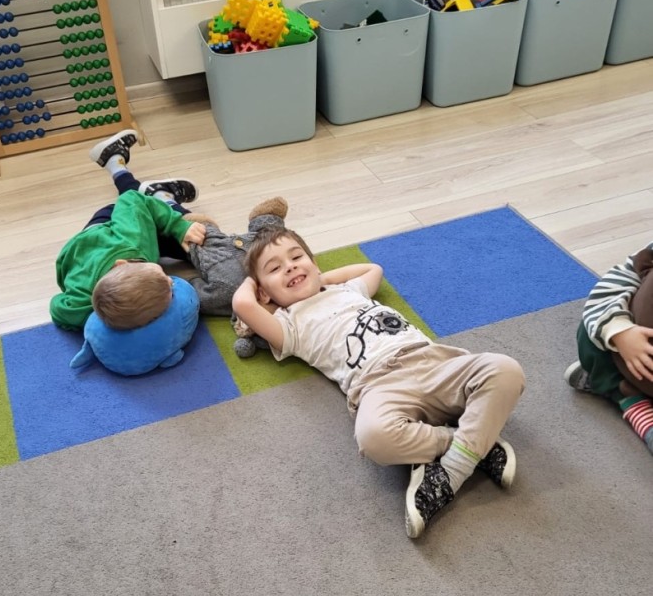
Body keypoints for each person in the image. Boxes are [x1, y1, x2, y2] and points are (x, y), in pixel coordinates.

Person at [232, 227, 525, 539]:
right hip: (378, 384)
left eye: (296, 257)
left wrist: (319, 276)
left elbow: (373, 269)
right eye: (275, 268)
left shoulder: (348, 290)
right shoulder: (288, 324)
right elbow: (242, 304)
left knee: (506, 370)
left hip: (432, 361)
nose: (290, 267)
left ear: (313, 262)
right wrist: (256, 285)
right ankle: (468, 448)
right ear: (264, 294)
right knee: (373, 438)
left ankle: (453, 462)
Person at [49, 129, 206, 332]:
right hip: (83, 256)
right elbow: (57, 309)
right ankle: (161, 194)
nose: (171, 280)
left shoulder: (132, 238)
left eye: (163, 276)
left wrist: (179, 227)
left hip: (104, 226)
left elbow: (131, 199)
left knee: (194, 234)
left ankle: (121, 167)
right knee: (193, 247)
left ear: (123, 263)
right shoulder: (80, 303)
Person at [564, 242, 653, 454]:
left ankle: (616, 386)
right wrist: (621, 332)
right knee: (590, 333)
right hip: (633, 360)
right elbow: (609, 289)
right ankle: (630, 399)